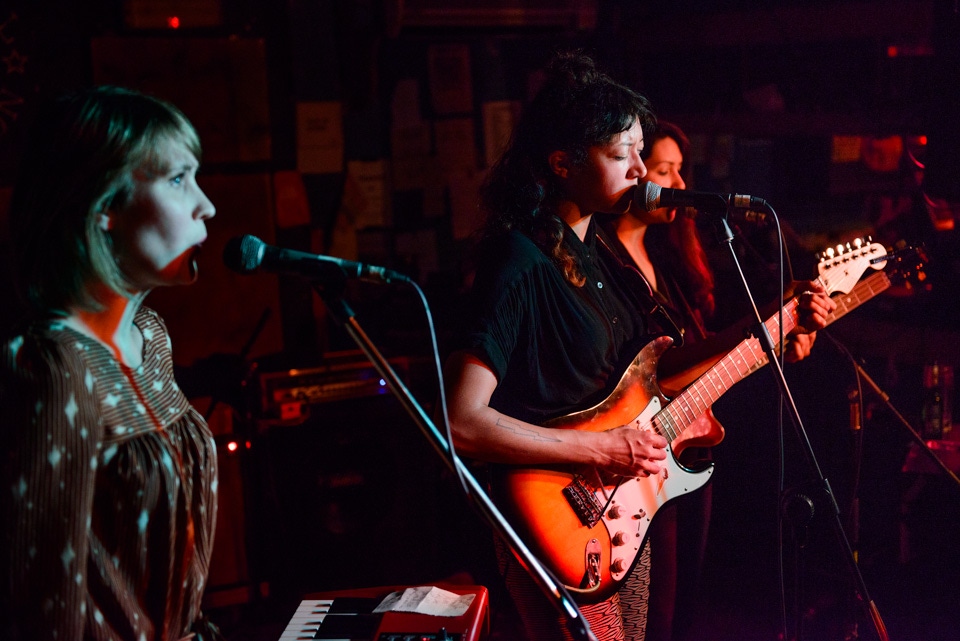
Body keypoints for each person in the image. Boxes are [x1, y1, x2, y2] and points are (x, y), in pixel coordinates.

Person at [444, 52, 834, 641]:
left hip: (618, 514)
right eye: (620, 154)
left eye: (638, 153)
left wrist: (774, 323)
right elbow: (461, 422)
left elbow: (661, 373)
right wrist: (600, 451)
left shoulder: (602, 255)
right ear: (561, 163)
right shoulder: (516, 262)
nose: (638, 171)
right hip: (554, 514)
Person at [0, 86, 221, 640]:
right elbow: (43, 607)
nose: (206, 205)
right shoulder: (54, 366)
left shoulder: (150, 335)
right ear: (103, 208)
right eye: (178, 180)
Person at [599, 121, 832, 641]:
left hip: (688, 451)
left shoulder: (672, 259)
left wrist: (783, 345)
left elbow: (712, 366)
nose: (679, 183)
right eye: (664, 171)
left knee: (686, 609)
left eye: (682, 169)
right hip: (633, 460)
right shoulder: (604, 263)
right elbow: (667, 368)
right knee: (651, 613)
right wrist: (773, 309)